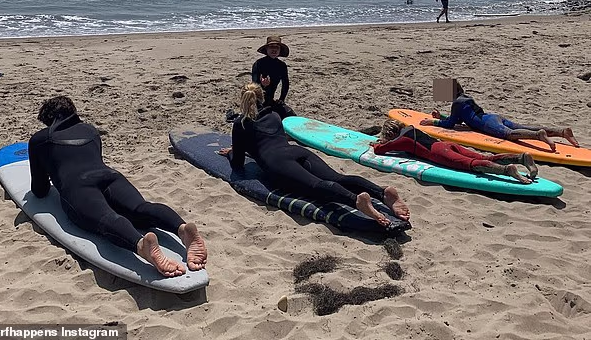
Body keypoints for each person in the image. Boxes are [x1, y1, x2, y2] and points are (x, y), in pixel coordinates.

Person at [28, 96, 207, 278]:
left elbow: (40, 190)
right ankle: (183, 229)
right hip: (110, 177)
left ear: (49, 119)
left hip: (78, 186)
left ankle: (141, 245)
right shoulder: (90, 131)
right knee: (140, 208)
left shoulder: (40, 140)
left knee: (105, 217)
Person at [219, 84, 410, 227]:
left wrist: (232, 153)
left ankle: (356, 201)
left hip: (277, 163)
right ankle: (382, 192)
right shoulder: (275, 115)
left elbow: (238, 163)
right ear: (262, 97)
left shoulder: (240, 124)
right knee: (337, 177)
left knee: (315, 186)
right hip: (296, 152)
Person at [420, 82, 579, 152]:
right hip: (493, 117)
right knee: (519, 126)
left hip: (486, 124)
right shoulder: (465, 98)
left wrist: (433, 121)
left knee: (509, 134)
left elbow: (450, 124)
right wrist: (442, 115)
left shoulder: (457, 104)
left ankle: (538, 136)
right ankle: (562, 132)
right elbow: (459, 119)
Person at [372, 119, 538, 184]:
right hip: (447, 144)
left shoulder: (401, 141)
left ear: (391, 134)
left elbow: (381, 150)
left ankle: (507, 170)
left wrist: (378, 144)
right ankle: (522, 158)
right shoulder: (411, 129)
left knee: (470, 165)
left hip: (439, 153)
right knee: (483, 156)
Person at [251, 34, 295, 118]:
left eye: (277, 47)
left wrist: (282, 99)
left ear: (280, 50)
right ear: (266, 49)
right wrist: (262, 86)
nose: (274, 50)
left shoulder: (282, 65)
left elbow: (285, 84)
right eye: (271, 47)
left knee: (290, 115)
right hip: (257, 101)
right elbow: (253, 86)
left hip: (271, 101)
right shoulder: (258, 64)